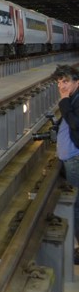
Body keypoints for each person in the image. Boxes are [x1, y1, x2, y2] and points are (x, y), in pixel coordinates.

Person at [53, 64, 79, 265]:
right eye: (59, 82)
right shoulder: (73, 98)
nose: (61, 86)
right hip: (70, 158)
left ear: (76, 82)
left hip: (75, 158)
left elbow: (75, 123)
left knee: (76, 204)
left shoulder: (72, 100)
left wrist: (64, 101)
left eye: (66, 82)